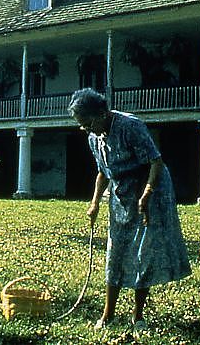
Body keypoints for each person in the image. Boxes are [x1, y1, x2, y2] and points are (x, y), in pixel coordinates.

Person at [67, 88, 191, 331]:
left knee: (142, 253)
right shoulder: (93, 137)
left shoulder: (131, 126)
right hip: (122, 192)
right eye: (81, 125)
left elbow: (155, 162)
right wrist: (94, 203)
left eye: (88, 123)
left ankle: (138, 316)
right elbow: (103, 172)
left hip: (150, 189)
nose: (86, 129)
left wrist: (147, 194)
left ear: (102, 113)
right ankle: (108, 315)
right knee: (116, 251)